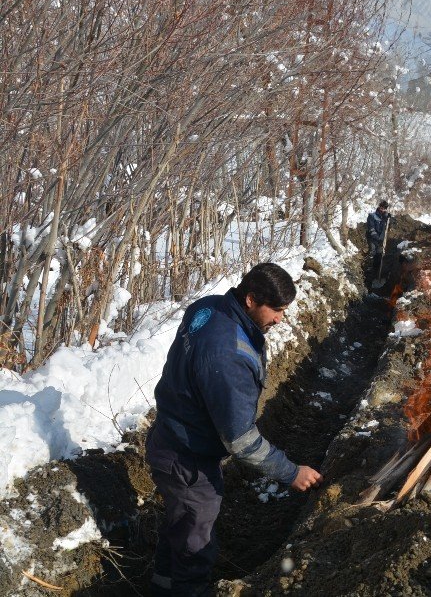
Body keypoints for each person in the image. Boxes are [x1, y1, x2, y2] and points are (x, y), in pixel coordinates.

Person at [146, 262, 323, 596]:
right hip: (187, 460)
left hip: (171, 434)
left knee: (180, 526)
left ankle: (161, 585)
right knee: (196, 545)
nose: (280, 319)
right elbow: (241, 441)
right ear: (251, 300)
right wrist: (290, 472)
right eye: (277, 310)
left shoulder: (210, 306)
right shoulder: (228, 355)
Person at [366, 199, 391, 286]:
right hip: (373, 239)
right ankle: (368, 271)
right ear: (379, 206)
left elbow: (389, 226)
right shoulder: (372, 216)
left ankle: (377, 273)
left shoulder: (385, 217)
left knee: (379, 255)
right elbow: (371, 229)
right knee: (372, 252)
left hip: (381, 240)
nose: (382, 209)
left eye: (384, 208)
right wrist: (377, 237)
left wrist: (390, 218)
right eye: (381, 207)